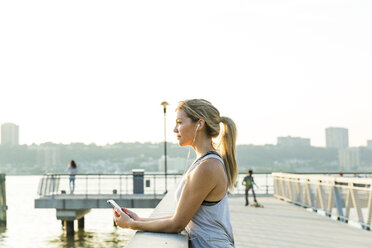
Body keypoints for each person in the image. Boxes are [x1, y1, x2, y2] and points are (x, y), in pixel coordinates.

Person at [113, 99, 237, 247]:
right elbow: (180, 217)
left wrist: (132, 225)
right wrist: (139, 220)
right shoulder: (205, 162)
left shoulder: (207, 167)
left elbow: (177, 225)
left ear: (199, 124)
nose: (174, 129)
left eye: (179, 122)